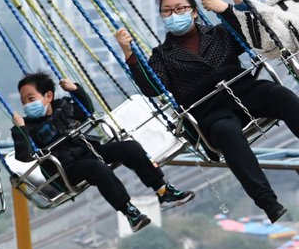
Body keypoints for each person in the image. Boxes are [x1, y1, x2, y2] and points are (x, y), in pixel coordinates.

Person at [119, 0, 297, 223]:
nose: (174, 15)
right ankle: (267, 200)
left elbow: (249, 35)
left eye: (180, 8)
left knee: (279, 94)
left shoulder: (220, 33)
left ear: (193, 12)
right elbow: (153, 87)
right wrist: (130, 55)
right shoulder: (161, 55)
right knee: (227, 133)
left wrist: (227, 10)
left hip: (243, 90)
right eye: (167, 11)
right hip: (208, 109)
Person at [11, 72, 194, 232]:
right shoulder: (28, 127)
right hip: (64, 169)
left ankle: (163, 191)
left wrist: (75, 90)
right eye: (23, 101)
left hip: (87, 150)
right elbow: (24, 156)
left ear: (48, 96)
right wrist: (21, 130)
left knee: (129, 147)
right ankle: (129, 212)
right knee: (96, 168)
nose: (27, 105)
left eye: (31, 99)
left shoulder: (63, 108)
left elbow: (87, 111)